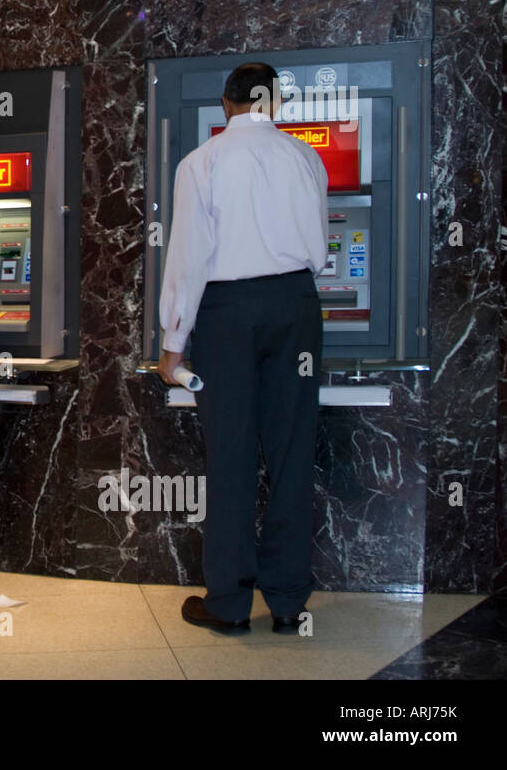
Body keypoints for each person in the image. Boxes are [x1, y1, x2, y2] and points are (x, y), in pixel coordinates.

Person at [158, 62, 328, 633]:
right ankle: (286, 601)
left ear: (226, 105)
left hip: (226, 314)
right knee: (291, 452)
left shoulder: (199, 163)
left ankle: (229, 603)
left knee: (228, 455)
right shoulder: (306, 158)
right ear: (273, 104)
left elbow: (187, 259)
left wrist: (172, 343)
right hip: (296, 307)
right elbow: (319, 245)